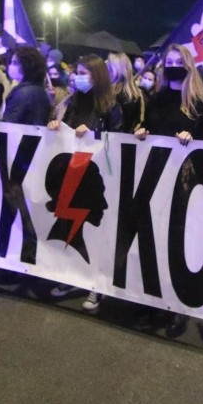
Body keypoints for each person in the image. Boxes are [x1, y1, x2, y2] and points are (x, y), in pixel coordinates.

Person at [134, 44, 203, 336]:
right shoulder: (157, 98)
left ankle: (179, 308)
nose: (172, 65)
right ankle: (155, 302)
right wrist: (140, 131)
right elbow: (147, 126)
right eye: (168, 61)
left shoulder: (201, 101)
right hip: (158, 178)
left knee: (180, 245)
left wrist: (194, 138)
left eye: (177, 61)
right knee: (155, 242)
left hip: (187, 183)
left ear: (188, 64)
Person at [47, 54, 123, 310]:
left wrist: (95, 135)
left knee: (98, 233)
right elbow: (64, 134)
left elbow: (118, 141)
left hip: (97, 181)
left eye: (84, 72)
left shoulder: (110, 107)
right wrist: (55, 124)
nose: (78, 76)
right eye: (77, 71)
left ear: (97, 75)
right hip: (71, 178)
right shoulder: (70, 102)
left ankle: (97, 287)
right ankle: (73, 277)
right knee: (72, 230)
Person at [2, 46, 51, 126]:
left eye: (15, 63)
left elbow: (8, 125)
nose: (10, 66)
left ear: (26, 65)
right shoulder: (37, 89)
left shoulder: (23, 93)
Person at [108, 52, 145, 132]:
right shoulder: (136, 95)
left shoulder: (110, 94)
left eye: (110, 68)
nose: (108, 70)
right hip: (128, 140)